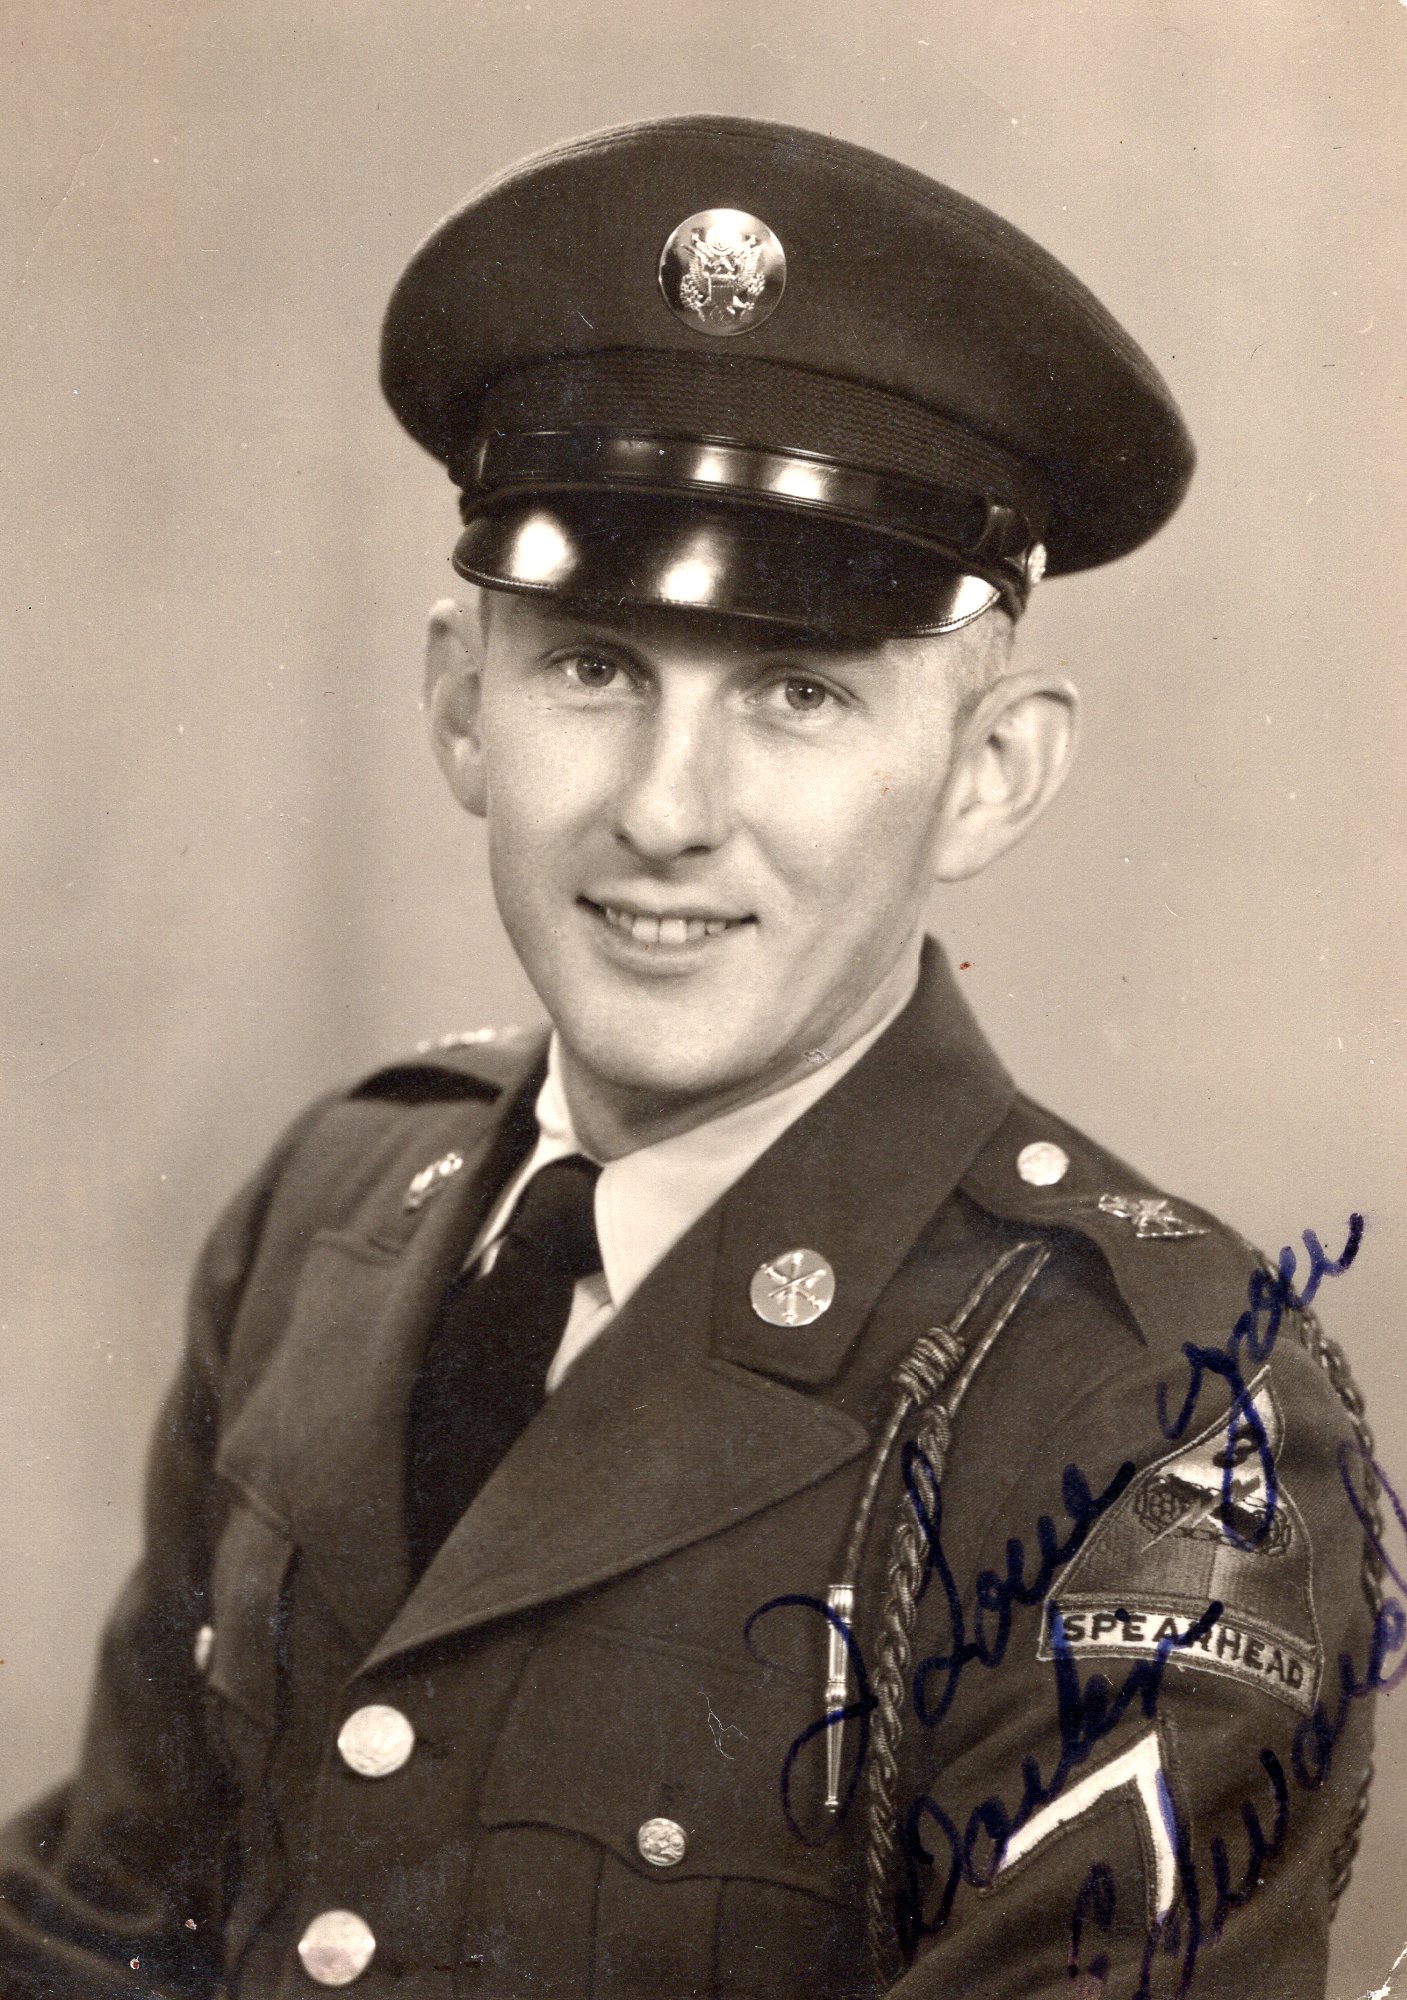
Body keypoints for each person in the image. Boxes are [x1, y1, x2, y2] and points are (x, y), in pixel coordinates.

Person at [0, 114, 1385, 2000]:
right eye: (594, 667)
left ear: (990, 774)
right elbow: (104, 1924)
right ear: (460, 702)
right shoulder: (335, 1204)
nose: (665, 811)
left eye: (798, 694)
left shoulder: (1153, 1415)